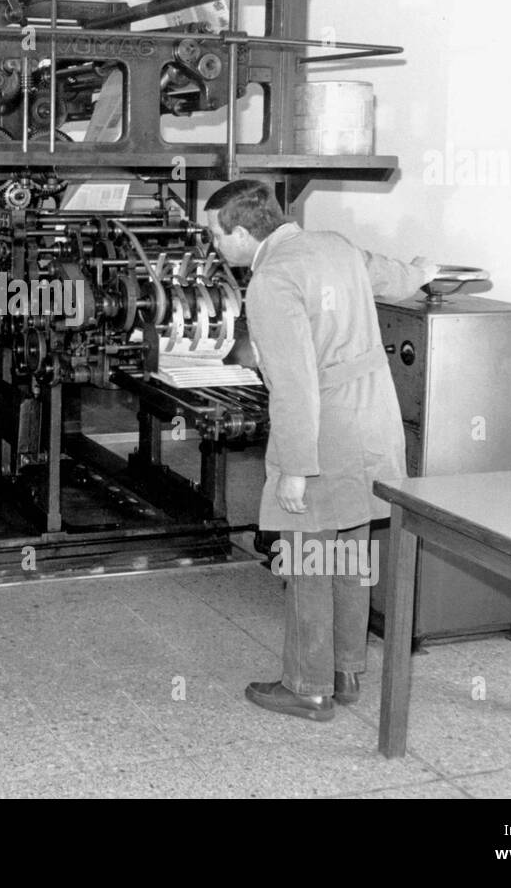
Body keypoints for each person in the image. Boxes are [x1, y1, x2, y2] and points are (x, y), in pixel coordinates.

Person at [204, 180, 438, 722]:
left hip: (324, 430)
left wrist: (293, 468)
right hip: (373, 419)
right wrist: (424, 270)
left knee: (309, 557)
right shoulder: (335, 245)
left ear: (242, 233)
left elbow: (294, 385)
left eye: (217, 236)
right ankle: (346, 672)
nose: (215, 246)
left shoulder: (272, 279)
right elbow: (396, 275)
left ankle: (307, 686)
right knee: (351, 550)